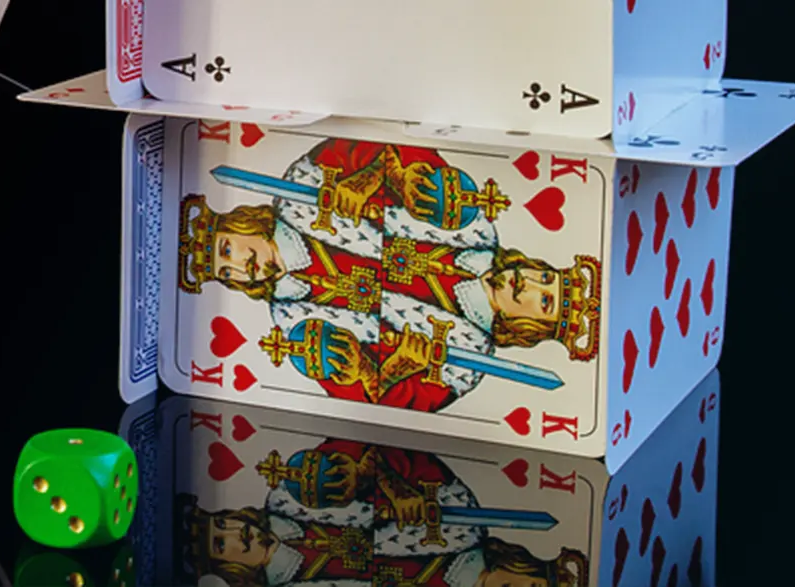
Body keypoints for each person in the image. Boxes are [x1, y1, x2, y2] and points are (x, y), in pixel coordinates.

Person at [176, 140, 598, 411]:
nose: (529, 282)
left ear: (531, 329)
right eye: (224, 271)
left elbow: (388, 397)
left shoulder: (464, 364)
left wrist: (391, 370)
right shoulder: (291, 320)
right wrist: (379, 176)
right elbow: (378, 152)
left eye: (545, 300)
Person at [178, 441, 588, 586]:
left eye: (225, 523)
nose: (237, 534)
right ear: (227, 569)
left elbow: (367, 454)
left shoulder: (296, 490)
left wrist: (384, 478)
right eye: (221, 542)